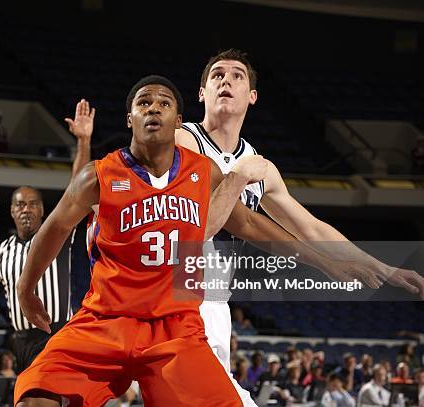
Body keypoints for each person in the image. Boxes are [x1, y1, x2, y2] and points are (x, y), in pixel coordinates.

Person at [172, 48, 424, 405]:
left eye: (237, 75)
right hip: (174, 292)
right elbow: (224, 221)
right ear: (202, 93)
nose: (226, 80)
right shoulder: (184, 141)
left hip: (214, 303)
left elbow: (313, 228)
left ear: (252, 96)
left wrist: (382, 267)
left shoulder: (261, 166)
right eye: (217, 75)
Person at [13, 75, 270, 406]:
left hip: (175, 324)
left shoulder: (201, 172)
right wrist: (25, 287)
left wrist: (322, 256)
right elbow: (57, 225)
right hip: (107, 318)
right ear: (130, 118)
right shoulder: (100, 178)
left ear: (178, 121)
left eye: (164, 103)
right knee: (35, 398)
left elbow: (246, 221)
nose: (154, 109)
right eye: (144, 102)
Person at [0, 99, 96, 378]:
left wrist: (83, 142)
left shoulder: (55, 234)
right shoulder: (0, 252)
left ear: (43, 210)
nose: (27, 209)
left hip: (57, 333)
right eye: (20, 204)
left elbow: (76, 189)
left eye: (33, 204)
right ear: (11, 211)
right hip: (21, 341)